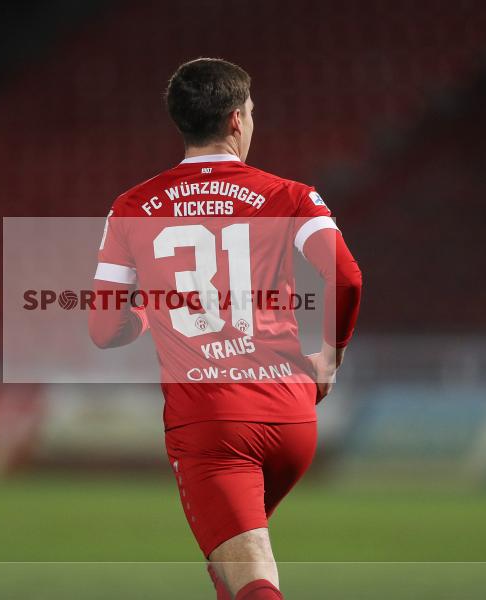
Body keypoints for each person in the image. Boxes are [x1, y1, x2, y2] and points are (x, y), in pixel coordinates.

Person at [88, 58, 362, 600]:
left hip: (213, 425)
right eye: (253, 112)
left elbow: (103, 329)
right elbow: (347, 276)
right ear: (236, 120)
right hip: (290, 417)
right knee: (230, 569)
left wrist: (145, 313)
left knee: (251, 574)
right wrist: (329, 357)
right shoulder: (291, 195)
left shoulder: (132, 207)